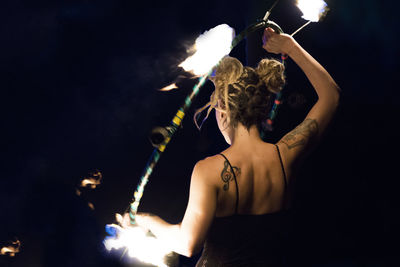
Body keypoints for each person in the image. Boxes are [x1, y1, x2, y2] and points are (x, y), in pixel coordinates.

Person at [122, 27, 340, 266]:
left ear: (223, 111)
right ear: (263, 109)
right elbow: (331, 95)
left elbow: (187, 243)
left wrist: (147, 220)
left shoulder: (209, 171)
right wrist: (289, 47)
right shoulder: (287, 155)